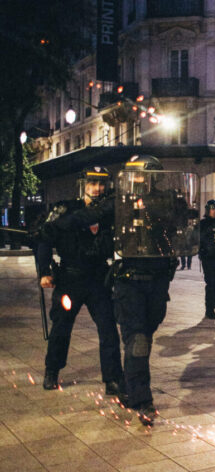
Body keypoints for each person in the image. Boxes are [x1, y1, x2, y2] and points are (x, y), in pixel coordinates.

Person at [50, 155, 196, 426]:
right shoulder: (119, 202)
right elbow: (88, 215)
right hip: (129, 281)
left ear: (155, 178)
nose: (137, 181)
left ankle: (131, 385)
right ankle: (142, 400)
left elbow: (183, 227)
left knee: (145, 338)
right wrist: (54, 226)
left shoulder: (168, 200)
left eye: (142, 176)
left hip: (158, 281)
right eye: (134, 177)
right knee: (137, 340)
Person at [36, 166, 123, 395]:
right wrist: (44, 271)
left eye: (101, 183)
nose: (97, 188)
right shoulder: (65, 210)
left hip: (98, 279)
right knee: (62, 328)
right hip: (70, 279)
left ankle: (112, 378)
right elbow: (45, 239)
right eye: (92, 183)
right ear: (83, 184)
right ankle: (52, 371)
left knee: (108, 330)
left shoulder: (109, 211)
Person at [199, 200, 215, 319]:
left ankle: (213, 305)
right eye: (213, 209)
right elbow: (198, 239)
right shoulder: (203, 224)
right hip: (208, 258)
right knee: (211, 283)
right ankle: (209, 309)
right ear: (208, 210)